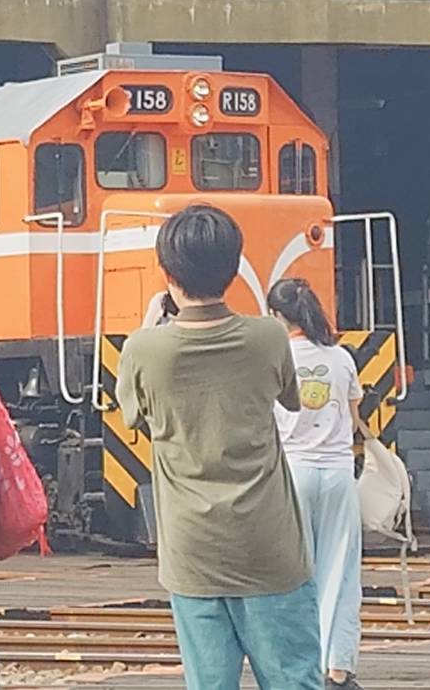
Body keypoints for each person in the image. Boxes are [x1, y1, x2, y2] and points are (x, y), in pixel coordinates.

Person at [118, 204, 323, 690]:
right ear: (235, 270)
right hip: (269, 547)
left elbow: (132, 414)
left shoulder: (144, 349)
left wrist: (151, 322)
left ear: (167, 273)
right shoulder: (270, 336)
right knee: (295, 680)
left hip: (192, 553)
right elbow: (291, 400)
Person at [269, 278, 366, 690]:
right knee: (341, 573)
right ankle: (337, 668)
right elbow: (355, 413)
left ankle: (299, 666)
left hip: (293, 472)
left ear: (277, 316)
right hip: (339, 473)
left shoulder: (276, 358)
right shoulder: (341, 358)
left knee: (296, 574)